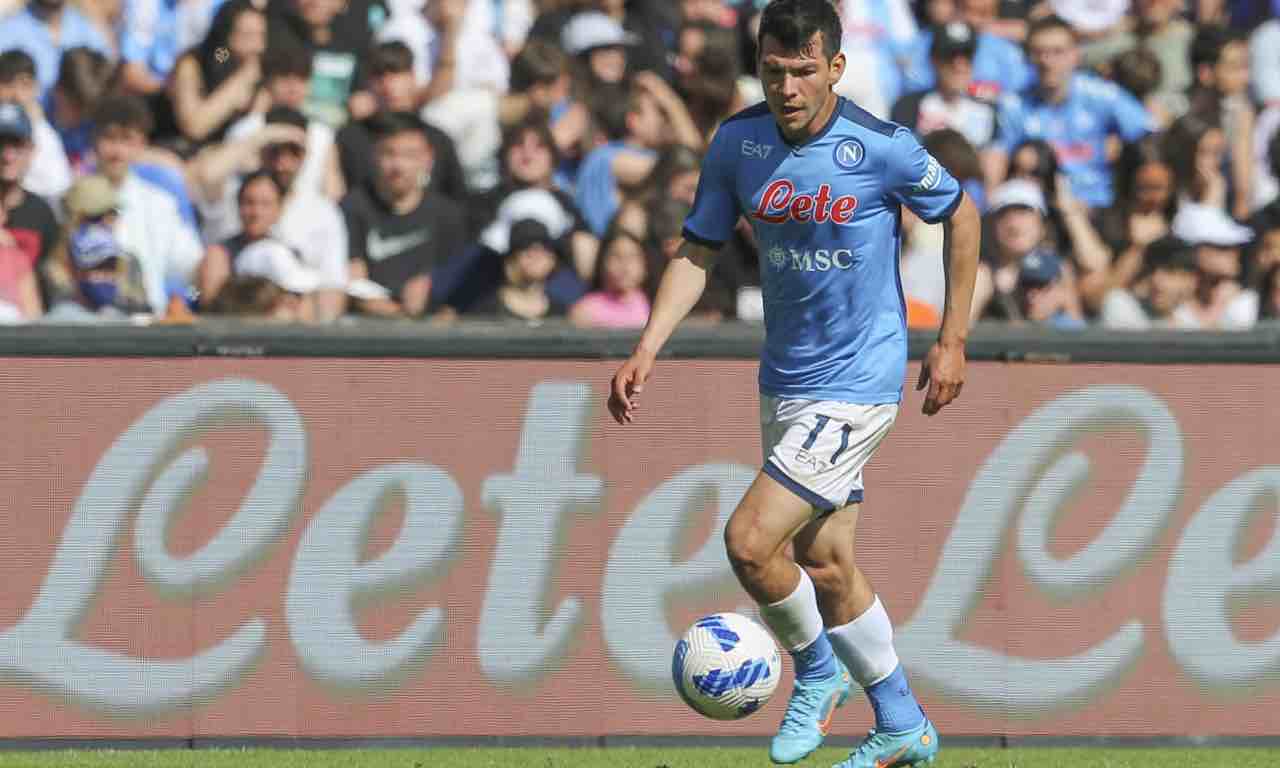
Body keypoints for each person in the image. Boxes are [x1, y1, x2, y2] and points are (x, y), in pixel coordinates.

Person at [608, 3, 981, 767]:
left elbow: (962, 214)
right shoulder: (737, 143)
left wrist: (951, 339)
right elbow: (699, 246)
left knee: (749, 541)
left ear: (835, 68)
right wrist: (648, 345)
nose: (787, 86)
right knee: (827, 565)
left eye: (804, 70)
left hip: (860, 381)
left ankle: (816, 675)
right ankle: (904, 723)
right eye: (774, 71)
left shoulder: (881, 146)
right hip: (786, 380)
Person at [986, 15, 1154, 209]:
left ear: (1075, 55)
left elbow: (1149, 132)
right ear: (1028, 57)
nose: (1047, 61)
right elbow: (997, 155)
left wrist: (1123, 149)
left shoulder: (1102, 94)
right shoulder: (1014, 104)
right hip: (1043, 209)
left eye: (1057, 52)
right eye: (1039, 52)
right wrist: (992, 203)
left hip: (1099, 205)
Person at [341, 110, 467, 318]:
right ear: (375, 155)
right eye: (389, 153)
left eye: (409, 155)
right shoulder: (352, 208)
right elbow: (354, 281)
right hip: (367, 327)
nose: (398, 166)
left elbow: (456, 286)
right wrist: (398, 313)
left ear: (428, 159)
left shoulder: (447, 215)